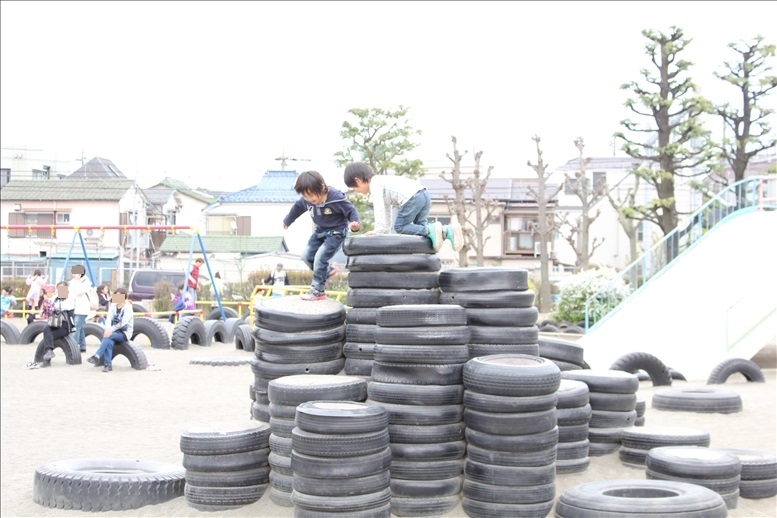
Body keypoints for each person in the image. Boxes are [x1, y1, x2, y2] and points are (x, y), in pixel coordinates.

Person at [344, 161, 463, 253]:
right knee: (421, 230)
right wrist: (385, 231)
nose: (357, 191)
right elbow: (387, 209)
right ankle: (448, 231)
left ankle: (431, 228)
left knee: (400, 227)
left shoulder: (375, 184)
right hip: (424, 194)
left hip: (413, 197)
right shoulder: (382, 181)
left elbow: (379, 209)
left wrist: (378, 231)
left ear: (358, 180)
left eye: (355, 188)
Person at [282, 170, 361, 301]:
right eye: (305, 196)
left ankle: (318, 291)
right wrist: (288, 220)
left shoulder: (336, 198)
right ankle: (328, 271)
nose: (309, 200)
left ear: (322, 187)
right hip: (319, 231)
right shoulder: (307, 200)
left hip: (336, 233)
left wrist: (355, 224)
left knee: (319, 258)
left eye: (312, 196)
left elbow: (351, 210)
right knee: (306, 256)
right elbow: (297, 207)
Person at [24, 282, 74, 369]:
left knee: (49, 337)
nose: (60, 290)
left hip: (65, 325)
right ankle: (49, 353)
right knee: (46, 329)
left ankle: (47, 360)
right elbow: (48, 302)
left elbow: (66, 307)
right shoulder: (56, 297)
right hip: (55, 323)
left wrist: (53, 306)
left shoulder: (70, 297)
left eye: (62, 288)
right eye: (59, 288)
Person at [86, 287, 133, 373]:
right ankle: (107, 364)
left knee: (108, 336)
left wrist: (110, 330)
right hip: (113, 331)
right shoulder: (113, 306)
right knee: (109, 342)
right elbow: (109, 318)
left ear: (124, 297)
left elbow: (123, 323)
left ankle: (97, 355)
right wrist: (108, 329)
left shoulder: (128, 308)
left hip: (124, 333)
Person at [67, 265, 93, 353]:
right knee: (80, 327)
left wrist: (76, 281)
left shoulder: (86, 282)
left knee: (76, 327)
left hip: (82, 308)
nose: (73, 274)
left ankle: (72, 347)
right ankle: (82, 346)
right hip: (74, 307)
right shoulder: (72, 282)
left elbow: (79, 292)